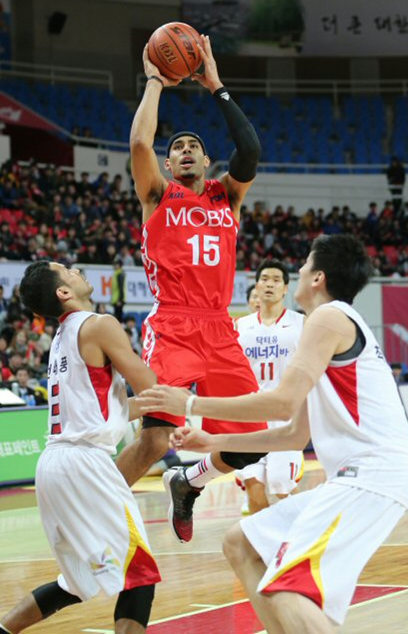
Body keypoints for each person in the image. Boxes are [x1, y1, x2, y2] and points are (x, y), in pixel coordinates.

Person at [139, 234, 408, 633]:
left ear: (318, 278)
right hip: (362, 477)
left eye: (304, 266)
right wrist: (214, 441)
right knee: (240, 544)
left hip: (373, 477)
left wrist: (188, 405)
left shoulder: (327, 317)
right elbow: (291, 433)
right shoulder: (325, 325)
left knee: (285, 587)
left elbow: (281, 403)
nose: (300, 272)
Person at [116, 34, 266, 544]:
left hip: (220, 328)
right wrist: (156, 81)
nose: (183, 151)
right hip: (174, 323)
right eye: (176, 147)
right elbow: (140, 145)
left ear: (206, 164)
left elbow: (249, 149)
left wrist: (216, 86)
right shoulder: (158, 194)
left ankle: (189, 482)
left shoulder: (229, 198)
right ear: (170, 162)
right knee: (157, 435)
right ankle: (92, 508)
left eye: (193, 147)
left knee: (258, 440)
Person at [0, 261, 160, 634]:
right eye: (66, 270)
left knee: (75, 582)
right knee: (139, 572)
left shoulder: (62, 338)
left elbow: (112, 408)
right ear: (63, 292)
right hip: (84, 463)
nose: (75, 269)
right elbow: (150, 383)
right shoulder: (99, 324)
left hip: (54, 464)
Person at [235, 259, 304, 514]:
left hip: (285, 417)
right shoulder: (240, 326)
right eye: (265, 278)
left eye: (276, 280)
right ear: (256, 284)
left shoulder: (301, 323)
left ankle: (306, 536)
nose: (269, 284)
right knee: (253, 484)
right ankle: (263, 545)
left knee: (280, 485)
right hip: (250, 416)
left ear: (285, 289)